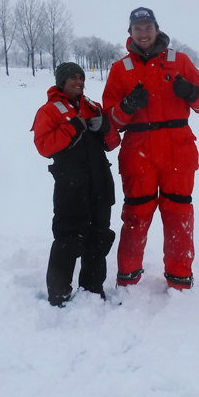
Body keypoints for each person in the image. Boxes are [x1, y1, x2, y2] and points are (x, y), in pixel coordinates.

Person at [102, 7, 199, 290]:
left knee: (178, 214)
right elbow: (109, 120)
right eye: (138, 28)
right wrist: (127, 107)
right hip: (138, 153)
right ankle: (128, 279)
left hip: (178, 152)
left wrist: (191, 92)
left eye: (148, 27)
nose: (143, 33)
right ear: (130, 33)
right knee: (136, 216)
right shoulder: (120, 69)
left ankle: (179, 279)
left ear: (157, 29)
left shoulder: (180, 61)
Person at [32, 62, 121, 306]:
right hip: (71, 187)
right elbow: (44, 146)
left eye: (81, 77)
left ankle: (92, 289)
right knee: (68, 240)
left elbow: (113, 143)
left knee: (99, 237)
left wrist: (105, 127)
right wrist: (73, 127)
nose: (78, 81)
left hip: (101, 184)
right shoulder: (48, 111)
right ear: (61, 81)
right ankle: (58, 295)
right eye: (72, 77)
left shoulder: (93, 107)